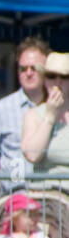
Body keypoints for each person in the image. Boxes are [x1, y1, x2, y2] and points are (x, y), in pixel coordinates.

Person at [0, 36, 48, 189]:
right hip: (15, 200)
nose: (29, 73)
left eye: (35, 68)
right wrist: (13, 175)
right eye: (23, 68)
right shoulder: (0, 110)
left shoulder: (61, 108)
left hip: (52, 198)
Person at [20, 52, 69, 181]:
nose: (57, 82)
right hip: (45, 194)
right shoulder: (33, 115)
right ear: (44, 80)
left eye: (64, 77)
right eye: (51, 76)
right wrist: (50, 116)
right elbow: (32, 155)